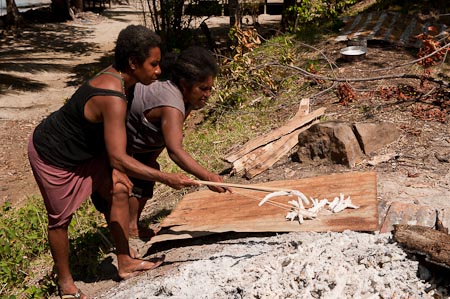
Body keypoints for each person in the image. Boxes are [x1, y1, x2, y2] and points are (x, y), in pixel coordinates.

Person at [27, 25, 197, 299]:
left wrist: (121, 168)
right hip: (54, 154)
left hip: (89, 150)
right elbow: (119, 157)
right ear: (132, 62)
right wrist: (167, 177)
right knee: (60, 220)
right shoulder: (112, 96)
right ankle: (66, 283)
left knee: (120, 188)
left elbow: (116, 148)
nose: (158, 71)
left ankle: (125, 260)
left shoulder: (124, 83)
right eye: (153, 64)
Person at [125, 46, 229, 238]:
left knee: (147, 174)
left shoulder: (187, 98)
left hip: (142, 145)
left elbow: (166, 139)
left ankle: (132, 226)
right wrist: (207, 177)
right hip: (124, 143)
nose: (207, 94)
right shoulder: (171, 103)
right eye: (203, 89)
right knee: (137, 181)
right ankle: (129, 229)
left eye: (210, 89)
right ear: (183, 84)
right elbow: (174, 150)